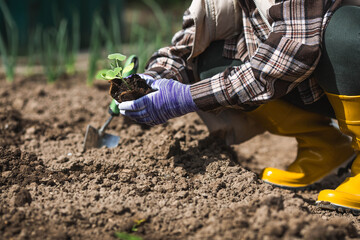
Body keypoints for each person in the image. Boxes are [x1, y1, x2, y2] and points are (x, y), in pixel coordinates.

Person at [116, 0, 360, 213]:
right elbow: (186, 47)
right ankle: (325, 147)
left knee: (344, 32)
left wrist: (189, 98)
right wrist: (149, 82)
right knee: (207, 61)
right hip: (314, 83)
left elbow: (291, 56)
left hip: (341, 64)